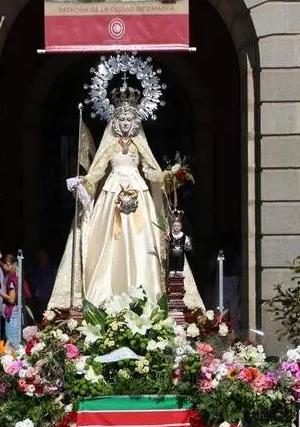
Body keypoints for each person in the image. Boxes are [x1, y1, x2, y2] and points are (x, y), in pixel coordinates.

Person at [48, 81, 203, 309]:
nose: (125, 123)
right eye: (121, 119)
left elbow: (151, 169)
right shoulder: (109, 145)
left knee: (144, 241)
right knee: (108, 244)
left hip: (138, 191)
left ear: (135, 121)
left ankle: (147, 294)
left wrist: (167, 176)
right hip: (112, 194)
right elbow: (97, 171)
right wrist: (83, 182)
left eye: (129, 119)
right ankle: (105, 294)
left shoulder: (140, 145)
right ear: (114, 121)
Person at [0, 254, 21, 348]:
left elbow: (12, 300)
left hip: (12, 313)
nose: (2, 269)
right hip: (14, 312)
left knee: (11, 341)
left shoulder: (12, 278)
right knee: (12, 341)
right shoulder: (16, 276)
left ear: (7, 264)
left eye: (2, 266)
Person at [28, 248, 56, 314]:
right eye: (38, 256)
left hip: (49, 303)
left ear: (47, 256)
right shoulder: (35, 270)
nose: (39, 258)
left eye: (41, 256)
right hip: (37, 303)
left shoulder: (53, 270)